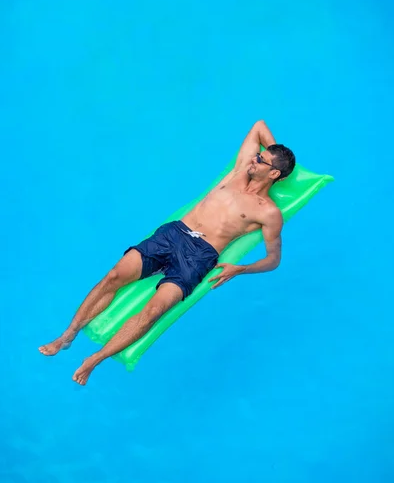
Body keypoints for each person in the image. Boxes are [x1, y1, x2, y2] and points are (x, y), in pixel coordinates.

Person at [39, 120, 295, 385]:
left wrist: (240, 269)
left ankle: (94, 360)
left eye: (261, 160)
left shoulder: (268, 212)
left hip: (199, 256)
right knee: (114, 275)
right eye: (257, 155)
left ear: (274, 174)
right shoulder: (239, 172)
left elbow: (273, 259)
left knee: (154, 310)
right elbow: (259, 127)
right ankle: (67, 336)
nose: (254, 159)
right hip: (173, 234)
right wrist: (275, 157)